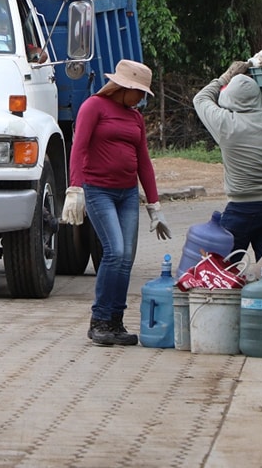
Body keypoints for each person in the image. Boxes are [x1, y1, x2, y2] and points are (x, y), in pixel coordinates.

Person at [61, 59, 171, 346]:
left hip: (127, 194)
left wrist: (154, 206)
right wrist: (75, 188)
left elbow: (143, 162)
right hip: (99, 191)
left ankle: (115, 322)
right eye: (140, 92)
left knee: (126, 259)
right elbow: (79, 147)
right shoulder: (93, 107)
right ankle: (99, 320)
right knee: (115, 251)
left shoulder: (135, 117)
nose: (142, 99)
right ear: (124, 87)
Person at [193, 61, 262, 260]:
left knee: (223, 271)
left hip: (241, 208)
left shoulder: (226, 123)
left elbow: (200, 99)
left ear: (230, 100)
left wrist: (226, 76)